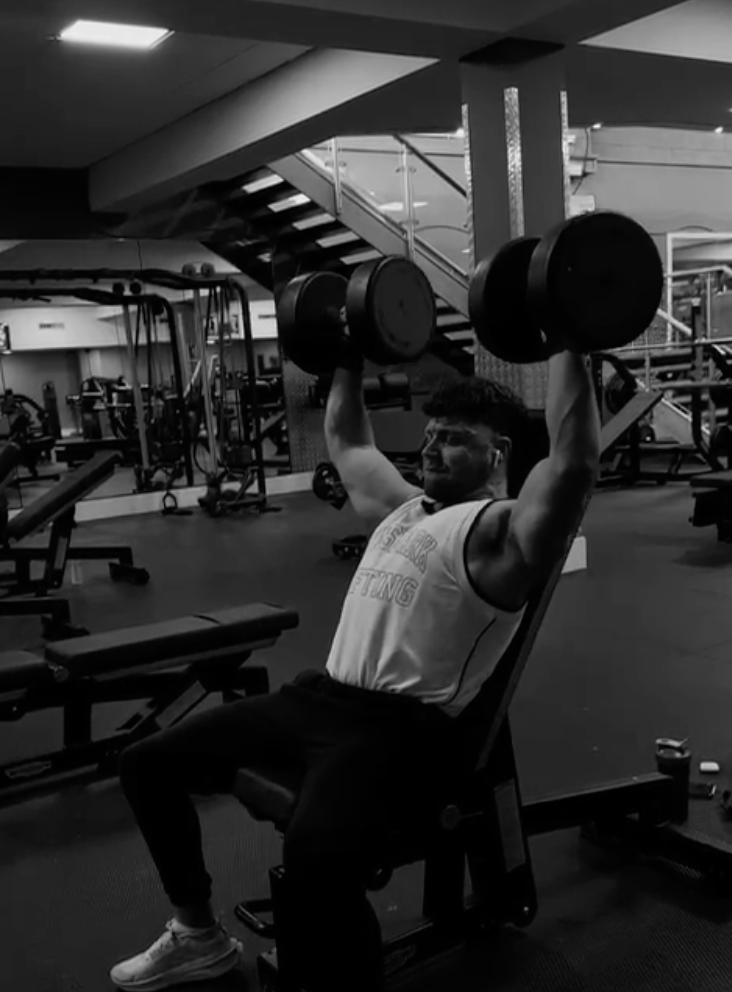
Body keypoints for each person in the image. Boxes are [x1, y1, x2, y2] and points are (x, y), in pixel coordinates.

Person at [109, 335, 600, 992]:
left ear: (497, 455)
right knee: (146, 763)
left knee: (315, 857)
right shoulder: (403, 511)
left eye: (451, 438)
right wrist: (347, 349)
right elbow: (349, 442)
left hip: (399, 730)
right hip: (319, 699)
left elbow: (570, 467)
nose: (429, 447)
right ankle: (198, 937)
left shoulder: (498, 531)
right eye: (430, 434)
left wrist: (567, 340)